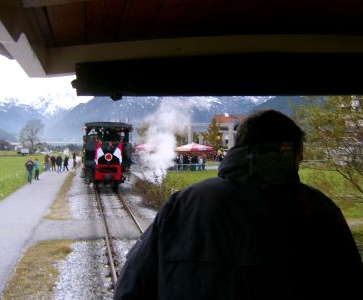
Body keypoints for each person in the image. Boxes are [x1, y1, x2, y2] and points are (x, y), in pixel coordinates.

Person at [114, 109, 363, 300]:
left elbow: (130, 288)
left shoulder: (183, 204)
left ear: (237, 148)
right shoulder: (320, 211)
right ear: (293, 153)